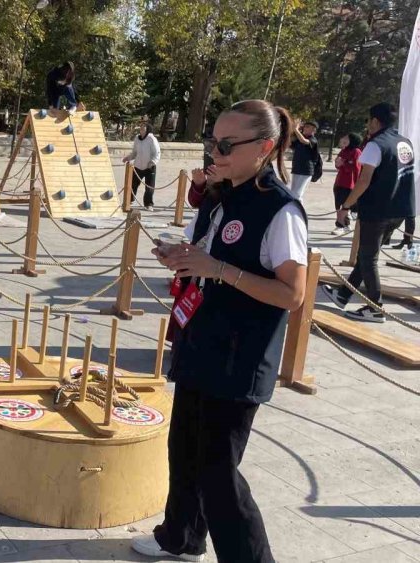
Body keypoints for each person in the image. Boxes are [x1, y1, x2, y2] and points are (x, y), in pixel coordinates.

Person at [133, 99, 308, 563]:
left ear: (265, 147)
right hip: (200, 343)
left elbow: (292, 294)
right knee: (184, 450)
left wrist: (218, 268)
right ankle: (180, 537)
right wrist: (183, 255)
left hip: (238, 359)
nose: (216, 152)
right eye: (213, 141)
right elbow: (207, 254)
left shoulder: (281, 211)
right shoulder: (219, 195)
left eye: (227, 144)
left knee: (219, 473)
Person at [325, 102, 415, 323]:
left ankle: (375, 307)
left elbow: (363, 181)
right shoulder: (405, 143)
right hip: (400, 209)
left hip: (378, 210)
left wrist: (345, 207)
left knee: (368, 258)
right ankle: (343, 294)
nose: (367, 125)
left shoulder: (375, 145)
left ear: (375, 121)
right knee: (368, 255)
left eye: (368, 121)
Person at [123, 124, 161, 211]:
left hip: (149, 167)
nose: (141, 129)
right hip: (138, 166)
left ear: (147, 129)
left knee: (149, 187)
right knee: (133, 185)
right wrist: (128, 158)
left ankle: (148, 204)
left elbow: (157, 152)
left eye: (143, 128)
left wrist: (153, 161)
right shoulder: (137, 138)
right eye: (140, 128)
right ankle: (129, 201)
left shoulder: (152, 139)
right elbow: (135, 152)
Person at [331, 133, 363, 236]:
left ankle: (342, 225)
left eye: (346, 138)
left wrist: (343, 163)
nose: (343, 139)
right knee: (338, 204)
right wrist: (338, 163)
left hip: (349, 183)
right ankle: (343, 224)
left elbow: (356, 168)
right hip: (339, 181)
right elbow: (338, 163)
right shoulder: (344, 150)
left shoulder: (357, 152)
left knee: (344, 205)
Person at [289, 120, 323, 200]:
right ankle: (296, 211)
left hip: (306, 170)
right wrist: (291, 130)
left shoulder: (313, 140)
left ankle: (298, 212)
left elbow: (304, 141)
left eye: (307, 127)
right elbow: (289, 143)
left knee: (298, 194)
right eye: (304, 126)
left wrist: (296, 129)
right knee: (293, 193)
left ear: (313, 130)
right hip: (296, 169)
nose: (304, 128)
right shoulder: (298, 139)